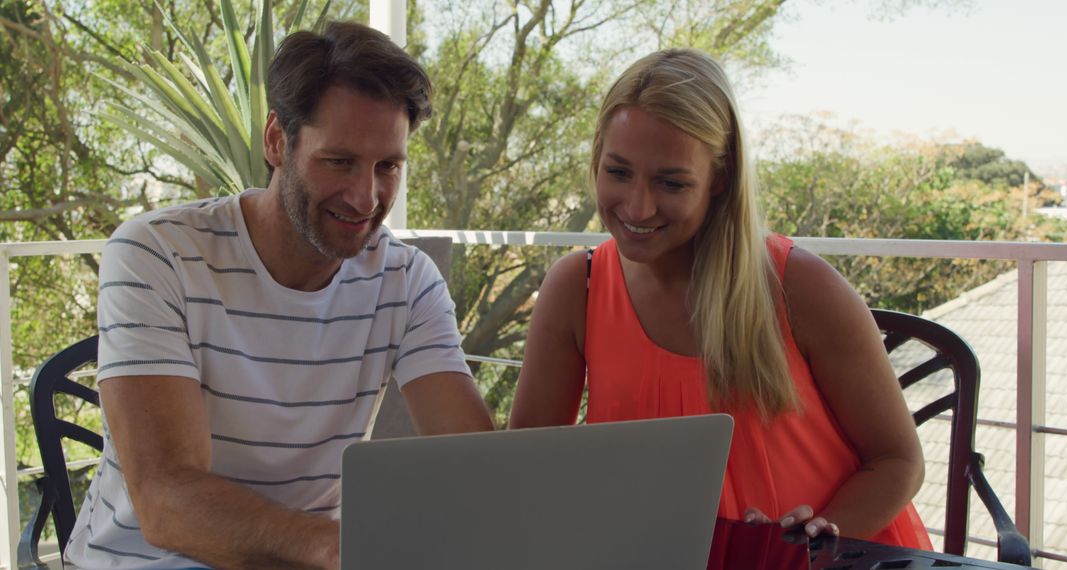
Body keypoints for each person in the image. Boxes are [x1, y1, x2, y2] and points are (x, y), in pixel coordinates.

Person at [65, 22, 494, 569]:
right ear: (276, 140)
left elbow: (475, 466)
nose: (367, 197)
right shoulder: (157, 253)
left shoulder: (406, 281)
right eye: (339, 161)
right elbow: (166, 502)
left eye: (388, 166)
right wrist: (332, 546)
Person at [509, 48, 932, 549]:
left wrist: (813, 544)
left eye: (671, 182)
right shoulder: (574, 290)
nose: (637, 206)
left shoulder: (800, 285)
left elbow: (898, 460)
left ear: (721, 179)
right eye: (618, 172)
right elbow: (527, 471)